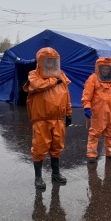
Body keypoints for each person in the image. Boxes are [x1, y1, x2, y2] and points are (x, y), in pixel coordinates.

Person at [23, 47, 73, 190]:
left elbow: (66, 95)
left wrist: (68, 113)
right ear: (40, 62)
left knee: (57, 147)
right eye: (47, 61)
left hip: (58, 119)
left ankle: (55, 173)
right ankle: (38, 177)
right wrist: (53, 81)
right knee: (39, 148)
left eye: (53, 61)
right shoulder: (33, 75)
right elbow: (37, 85)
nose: (50, 64)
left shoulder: (61, 75)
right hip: (41, 120)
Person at [82, 57, 111, 163]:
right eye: (103, 68)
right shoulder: (93, 79)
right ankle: (91, 154)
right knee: (95, 133)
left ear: (110, 69)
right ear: (99, 69)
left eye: (107, 68)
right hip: (98, 112)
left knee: (110, 133)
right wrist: (87, 107)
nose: (105, 70)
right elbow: (87, 95)